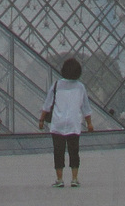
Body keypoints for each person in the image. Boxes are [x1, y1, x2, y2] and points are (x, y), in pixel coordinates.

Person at [38, 57, 94, 188]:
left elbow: (47, 104)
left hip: (57, 124)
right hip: (74, 125)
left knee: (58, 152)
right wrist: (89, 123)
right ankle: (74, 178)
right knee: (74, 152)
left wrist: (41, 120)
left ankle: (59, 179)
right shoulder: (80, 87)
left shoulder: (57, 85)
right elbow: (86, 107)